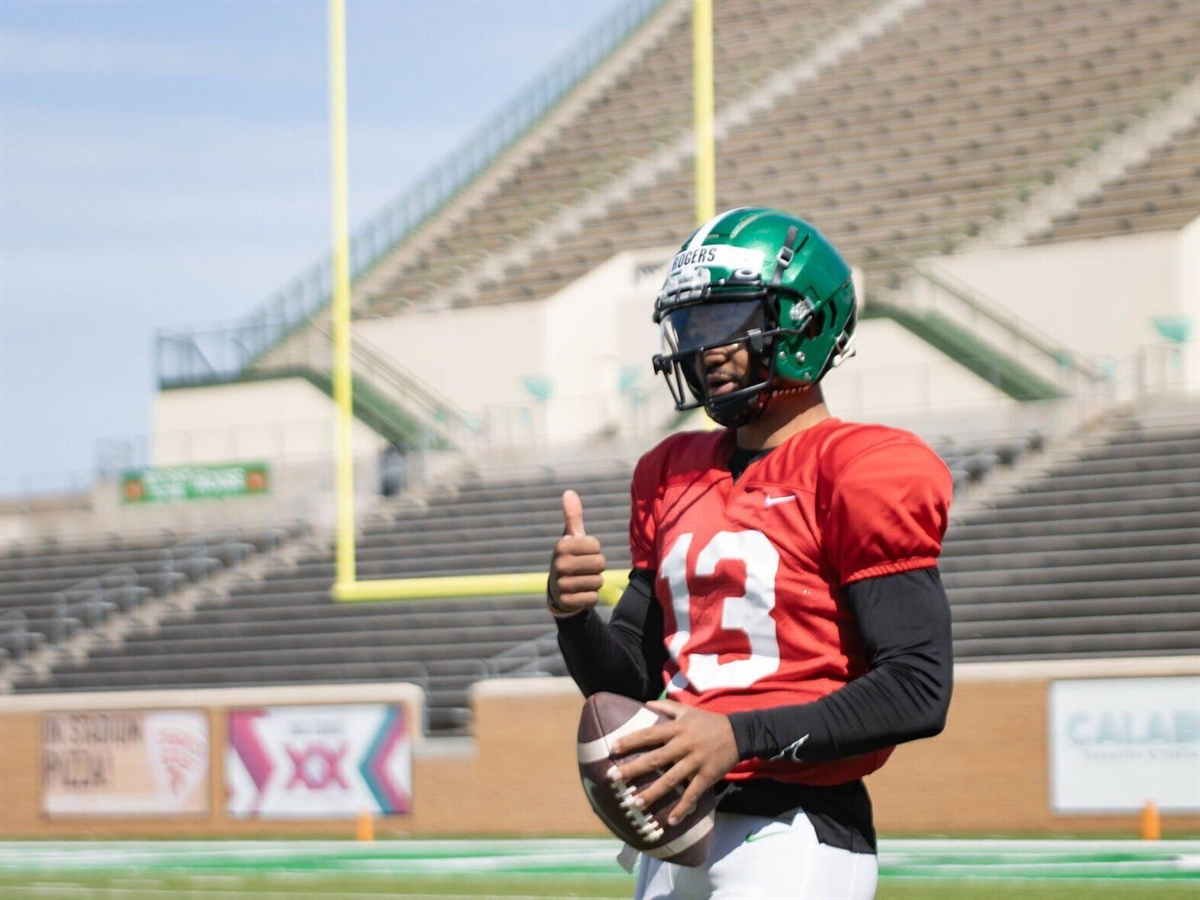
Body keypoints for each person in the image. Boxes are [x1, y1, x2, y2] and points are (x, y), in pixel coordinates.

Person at [547, 207, 954, 900]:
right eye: (691, 327)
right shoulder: (668, 470)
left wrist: (739, 736)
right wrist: (573, 614)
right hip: (677, 827)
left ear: (802, 320)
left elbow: (919, 688)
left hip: (796, 831)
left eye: (725, 322)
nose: (704, 349)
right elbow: (629, 682)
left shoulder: (863, 467)